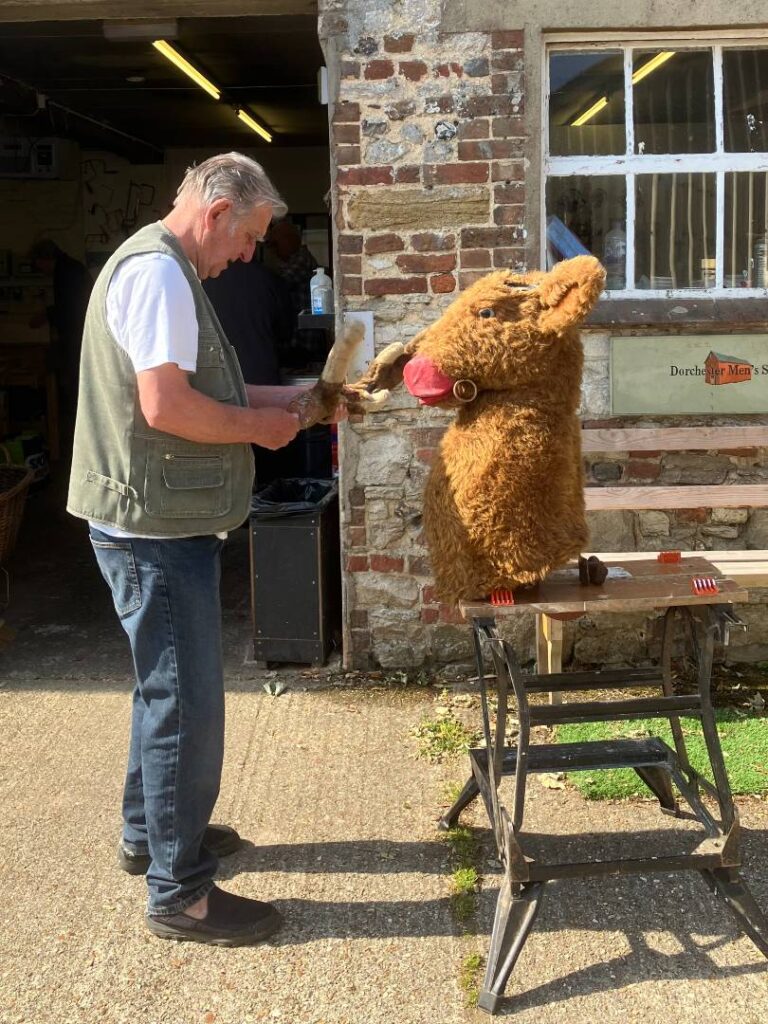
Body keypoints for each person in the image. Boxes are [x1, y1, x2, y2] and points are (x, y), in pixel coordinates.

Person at [67, 153, 337, 945]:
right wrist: (264, 428)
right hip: (153, 529)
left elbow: (206, 394)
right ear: (217, 211)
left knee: (163, 693)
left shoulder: (166, 269)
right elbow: (167, 407)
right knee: (186, 705)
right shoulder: (160, 276)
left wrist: (302, 401)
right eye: (251, 236)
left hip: (148, 519)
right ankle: (179, 893)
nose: (251, 253)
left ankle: (149, 836)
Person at [203, 256, 297, 486]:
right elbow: (287, 331)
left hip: (216, 386)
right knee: (268, 480)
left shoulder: (198, 281)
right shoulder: (267, 279)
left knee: (223, 475)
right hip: (262, 376)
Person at [28, 239, 92, 413]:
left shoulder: (66, 272)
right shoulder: (69, 268)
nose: (41, 270)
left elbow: (70, 308)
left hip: (78, 338)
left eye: (38, 265)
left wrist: (46, 315)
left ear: (44, 259)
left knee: (76, 386)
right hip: (80, 336)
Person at [265, 219, 318, 317]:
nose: (273, 250)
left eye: (275, 244)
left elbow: (277, 285)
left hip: (304, 327)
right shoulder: (289, 260)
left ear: (289, 240)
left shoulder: (302, 258)